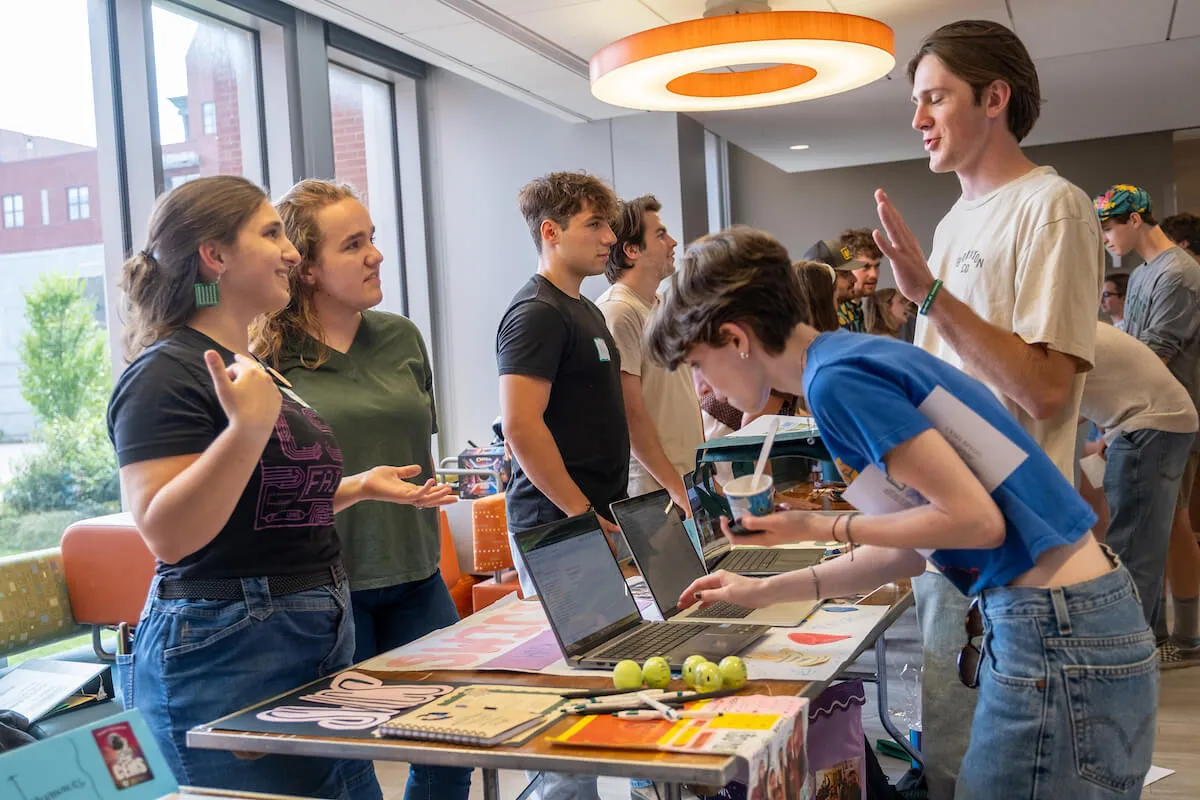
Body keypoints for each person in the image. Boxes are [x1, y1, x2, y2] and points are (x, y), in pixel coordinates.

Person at [646, 225, 1155, 800]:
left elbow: (974, 521)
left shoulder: (837, 382)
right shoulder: (855, 358)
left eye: (696, 362)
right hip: (1073, 615)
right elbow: (910, 551)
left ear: (736, 337)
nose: (701, 383)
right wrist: (760, 591)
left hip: (1055, 626)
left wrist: (823, 525)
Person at [108, 176, 446, 797]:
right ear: (215, 256)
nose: (291, 252)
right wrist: (246, 429)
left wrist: (353, 487)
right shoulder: (166, 373)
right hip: (228, 649)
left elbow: (255, 500)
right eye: (271, 234)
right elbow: (166, 530)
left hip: (310, 642)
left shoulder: (251, 367)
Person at [875, 21, 1104, 796]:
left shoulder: (1055, 207)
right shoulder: (948, 224)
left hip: (1015, 556)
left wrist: (930, 298)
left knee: (998, 771)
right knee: (947, 753)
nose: (919, 119)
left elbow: (1044, 390)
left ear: (994, 98)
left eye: (934, 97)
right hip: (949, 536)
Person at [251, 179, 468, 799]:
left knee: (454, 746)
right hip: (327, 593)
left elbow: (420, 443)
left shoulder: (402, 337)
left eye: (372, 239)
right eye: (353, 245)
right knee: (350, 769)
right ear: (309, 269)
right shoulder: (269, 359)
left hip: (416, 575)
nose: (375, 255)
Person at [496, 171, 627, 800]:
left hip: (591, 515)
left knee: (603, 675)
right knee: (567, 693)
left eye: (608, 223)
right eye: (593, 225)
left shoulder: (582, 309)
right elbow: (521, 427)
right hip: (558, 524)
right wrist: (579, 515)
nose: (609, 237)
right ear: (550, 233)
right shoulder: (536, 313)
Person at [1095, 184, 1200, 667]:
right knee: (1161, 528)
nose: (1106, 239)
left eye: (1110, 227)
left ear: (1135, 219)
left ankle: (1178, 640)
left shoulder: (1178, 272)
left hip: (1170, 415)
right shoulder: (1141, 275)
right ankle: (1158, 636)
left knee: (1166, 529)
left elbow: (1157, 350)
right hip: (1141, 413)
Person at [1079, 321, 1197, 630]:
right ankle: (1148, 640)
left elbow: (1046, 407)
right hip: (1155, 420)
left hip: (1150, 422)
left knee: (1133, 548)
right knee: (1144, 543)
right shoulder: (1072, 327)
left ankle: (1125, 656)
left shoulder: (1052, 336)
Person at [597, 194, 702, 513]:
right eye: (660, 235)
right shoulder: (619, 311)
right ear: (631, 250)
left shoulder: (658, 305)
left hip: (683, 478)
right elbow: (631, 414)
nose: (672, 242)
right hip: (655, 489)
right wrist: (675, 487)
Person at [840, 227, 884, 331]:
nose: (874, 275)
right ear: (847, 268)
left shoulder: (857, 310)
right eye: (866, 267)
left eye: (876, 266)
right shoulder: (836, 313)